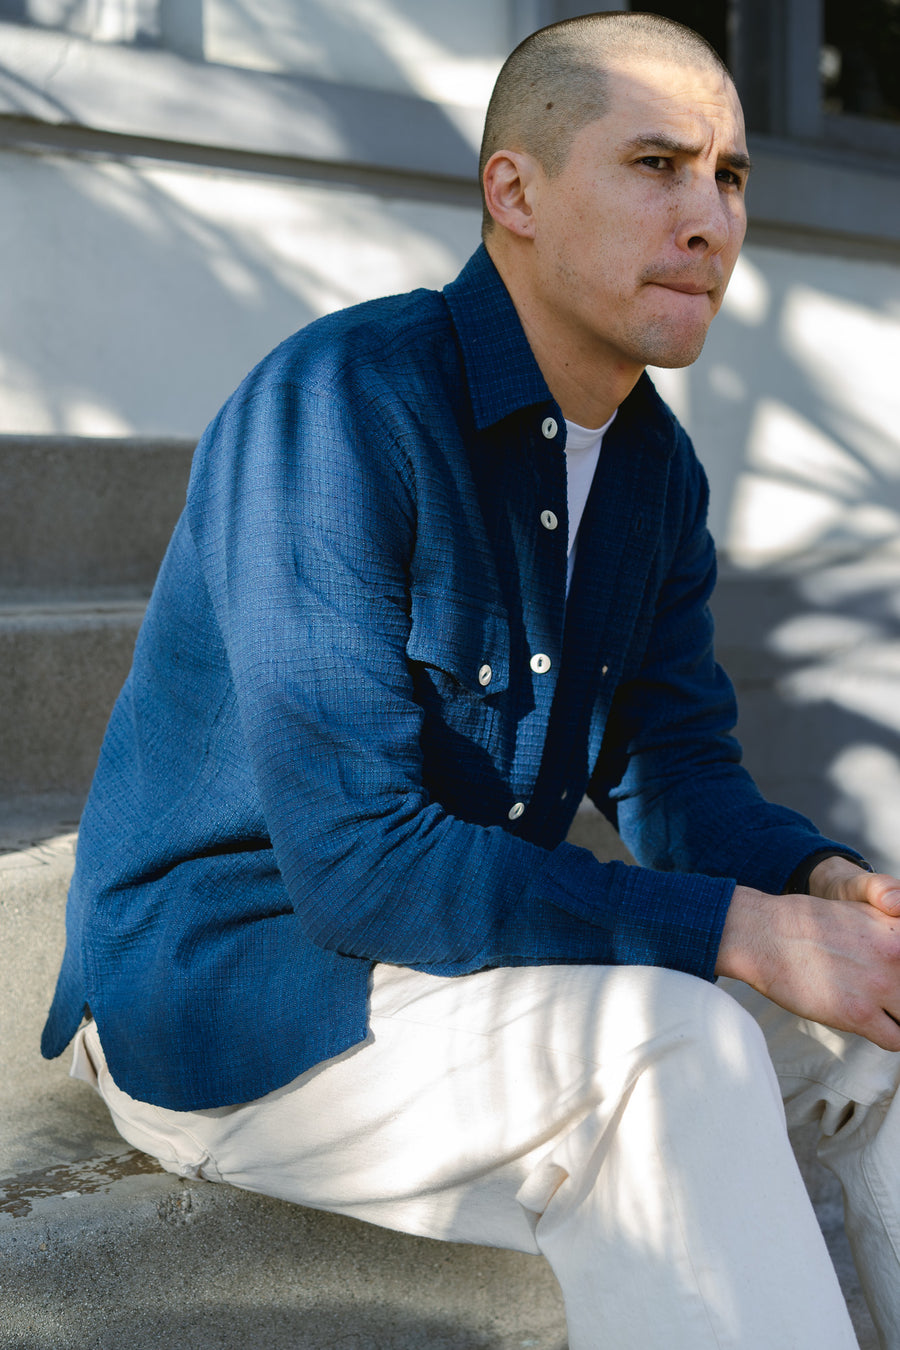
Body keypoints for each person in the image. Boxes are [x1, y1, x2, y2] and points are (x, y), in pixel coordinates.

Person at [42, 11, 900, 1348]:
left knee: (877, 1026)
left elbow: (678, 782)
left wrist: (812, 887)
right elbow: (361, 868)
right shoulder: (339, 406)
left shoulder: (653, 471)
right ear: (516, 193)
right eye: (656, 164)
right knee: (675, 1048)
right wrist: (734, 929)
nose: (709, 219)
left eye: (730, 177)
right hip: (233, 987)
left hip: (461, 960)